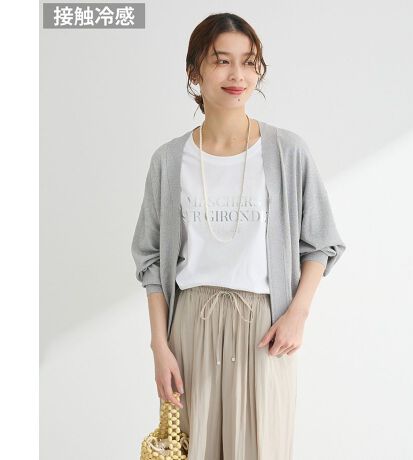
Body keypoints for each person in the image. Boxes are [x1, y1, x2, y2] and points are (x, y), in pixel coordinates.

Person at [131, 12, 346, 460]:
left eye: (249, 62)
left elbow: (320, 243)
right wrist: (159, 346)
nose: (238, 75)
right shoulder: (169, 160)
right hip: (190, 327)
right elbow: (150, 260)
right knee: (193, 448)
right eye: (221, 61)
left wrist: (298, 314)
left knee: (261, 448)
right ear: (194, 71)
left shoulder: (287, 151)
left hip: (264, 329)